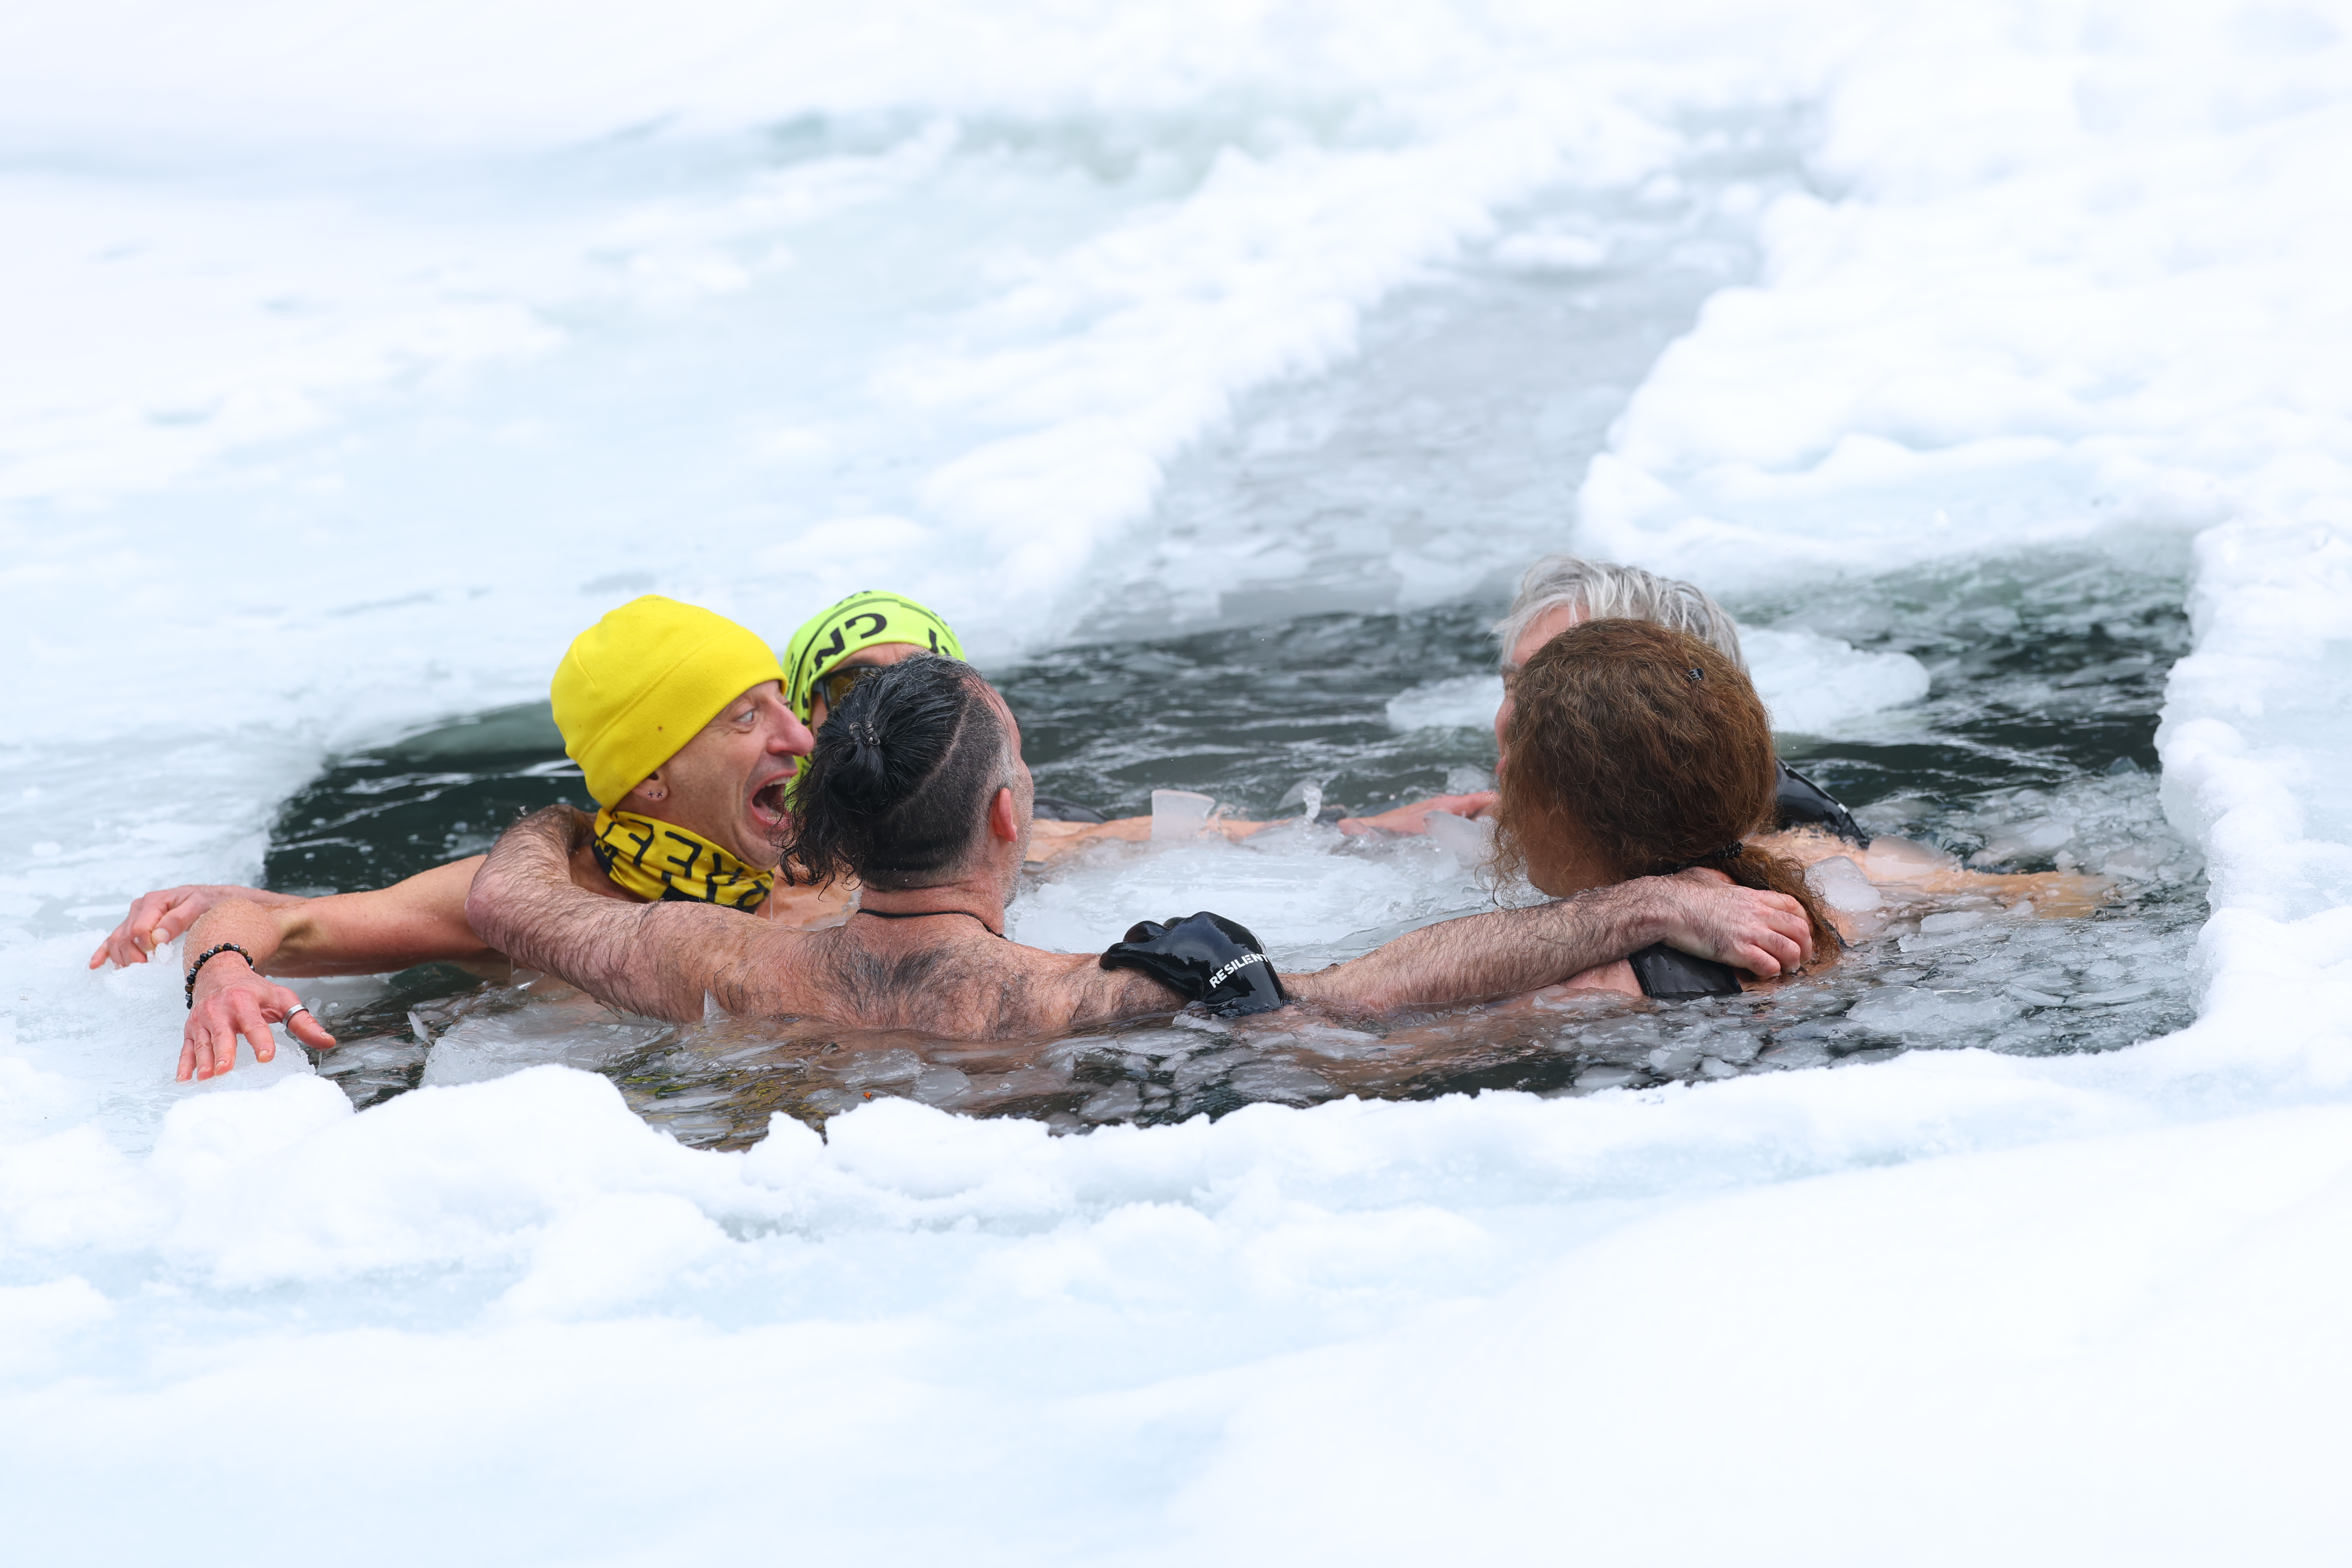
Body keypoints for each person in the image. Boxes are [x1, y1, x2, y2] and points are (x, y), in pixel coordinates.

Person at [463, 654, 1818, 1034]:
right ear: (1011, 818)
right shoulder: (1079, 999)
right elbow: (1351, 1000)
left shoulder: (713, 958)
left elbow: (515, 905)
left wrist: (575, 820)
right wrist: (1632, 909)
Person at [133, 596, 819, 1081]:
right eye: (745, 717)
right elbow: (281, 928)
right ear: (651, 776)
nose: (800, 738)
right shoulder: (536, 900)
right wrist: (223, 974)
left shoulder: (834, 867)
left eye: (785, 703)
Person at [1337, 554, 1865, 843]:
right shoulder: (1489, 824)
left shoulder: (1805, 855)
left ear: (1671, 715)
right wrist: (1363, 836)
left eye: (1556, 691)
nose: (1513, 721)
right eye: (1515, 688)